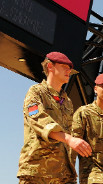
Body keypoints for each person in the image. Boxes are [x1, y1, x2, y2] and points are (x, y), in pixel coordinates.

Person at [17, 52, 93, 184]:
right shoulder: (36, 92)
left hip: (64, 176)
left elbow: (70, 133)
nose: (69, 70)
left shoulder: (67, 101)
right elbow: (37, 119)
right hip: (38, 173)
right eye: (64, 66)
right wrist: (69, 139)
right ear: (50, 66)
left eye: (70, 68)